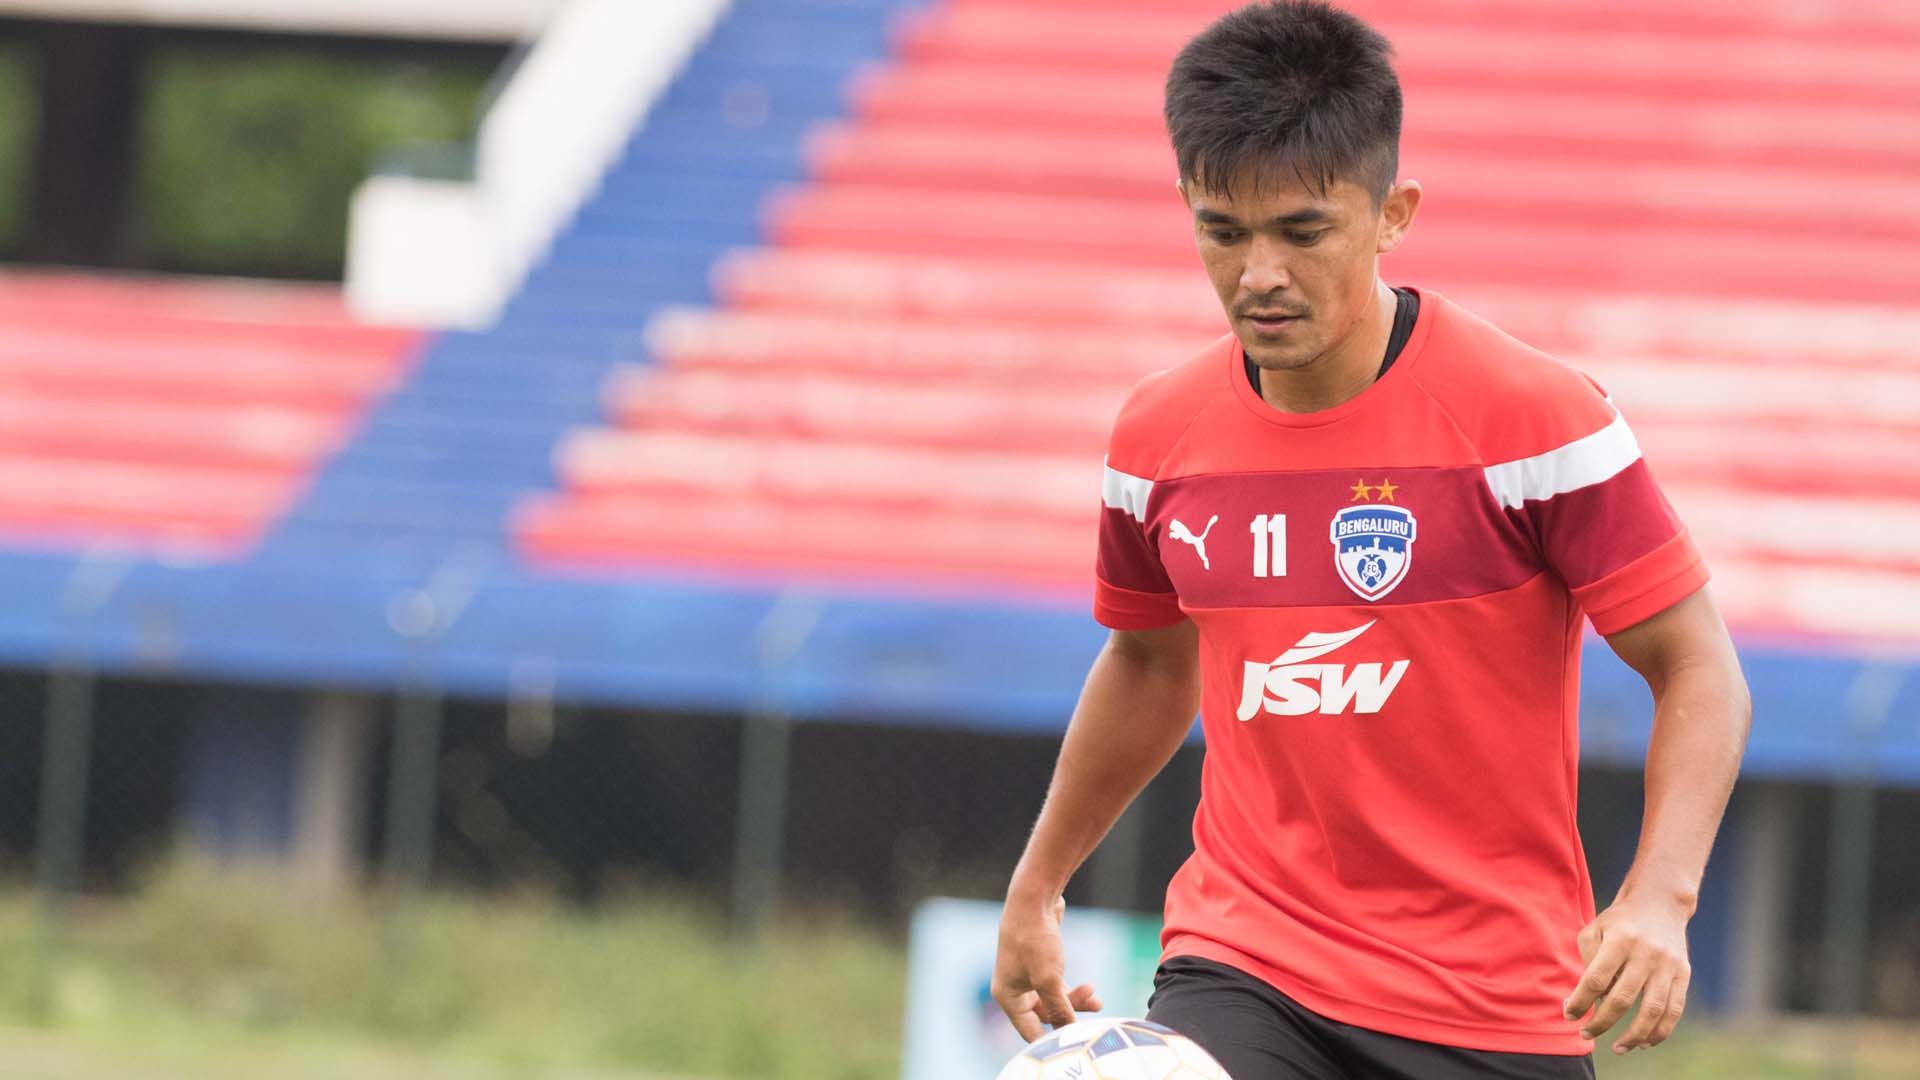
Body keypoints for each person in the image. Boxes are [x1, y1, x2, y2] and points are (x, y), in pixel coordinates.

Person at [989, 3, 1752, 1077]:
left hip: (1494, 1007)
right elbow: (1151, 662)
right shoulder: (1157, 439)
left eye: (1302, 232)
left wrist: (1660, 899)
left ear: (1393, 213)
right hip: (1245, 967)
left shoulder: (1535, 420)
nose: (1259, 274)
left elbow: (1700, 667)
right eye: (1224, 230)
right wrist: (1038, 883)